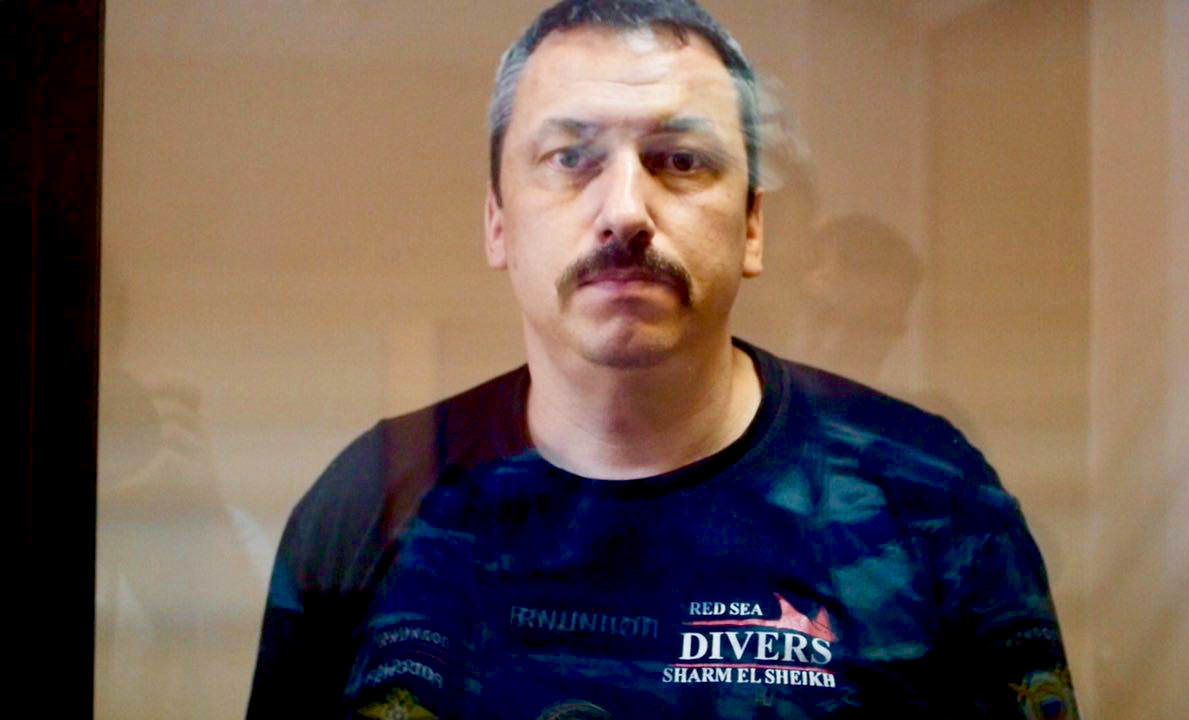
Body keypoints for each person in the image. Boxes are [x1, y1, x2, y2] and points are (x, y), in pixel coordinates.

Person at [247, 1, 1078, 718]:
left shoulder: (935, 503)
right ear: (498, 221)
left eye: (680, 160)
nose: (625, 210)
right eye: (571, 158)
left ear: (752, 225)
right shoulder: (374, 501)